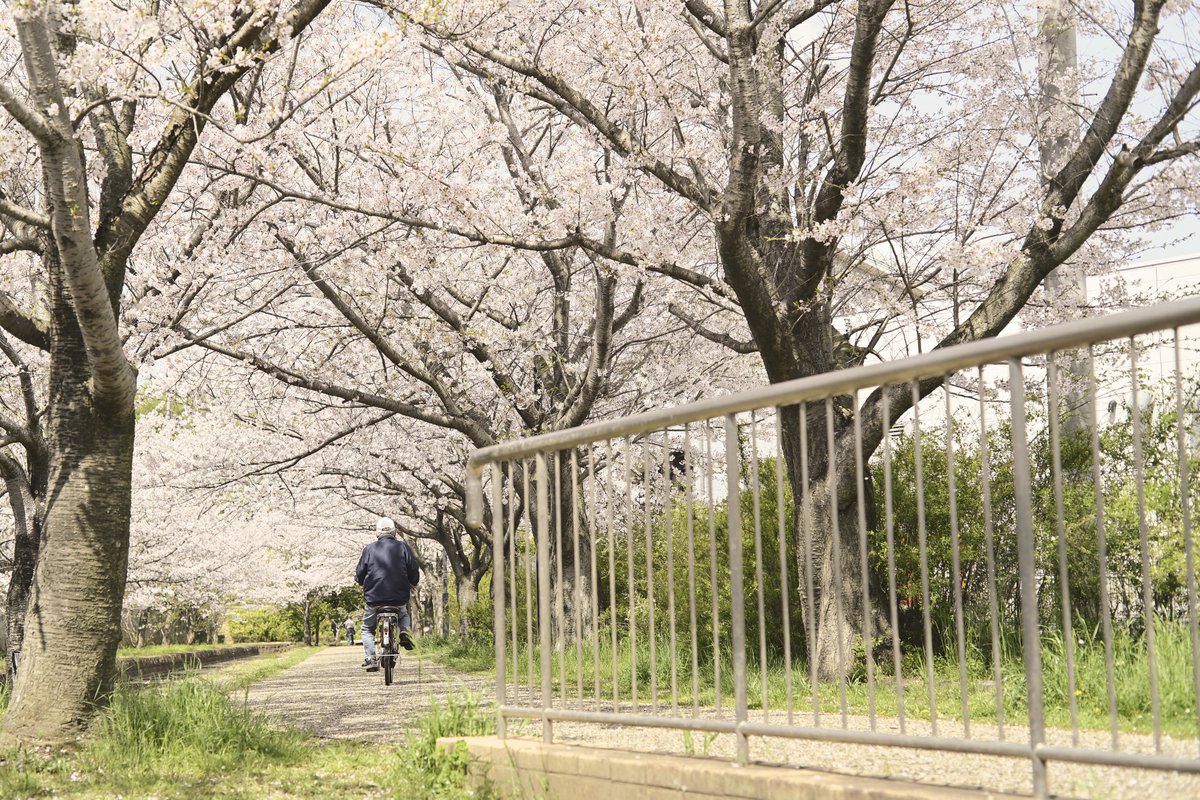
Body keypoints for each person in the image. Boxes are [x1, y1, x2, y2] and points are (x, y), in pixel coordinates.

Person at [355, 516, 420, 671]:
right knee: (403, 615)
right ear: (394, 532)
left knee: (367, 628)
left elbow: (360, 573)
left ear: (377, 533)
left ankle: (370, 658)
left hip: (374, 597)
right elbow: (413, 570)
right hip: (398, 596)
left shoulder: (369, 549)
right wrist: (414, 581)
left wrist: (360, 580)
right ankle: (404, 632)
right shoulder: (403, 547)